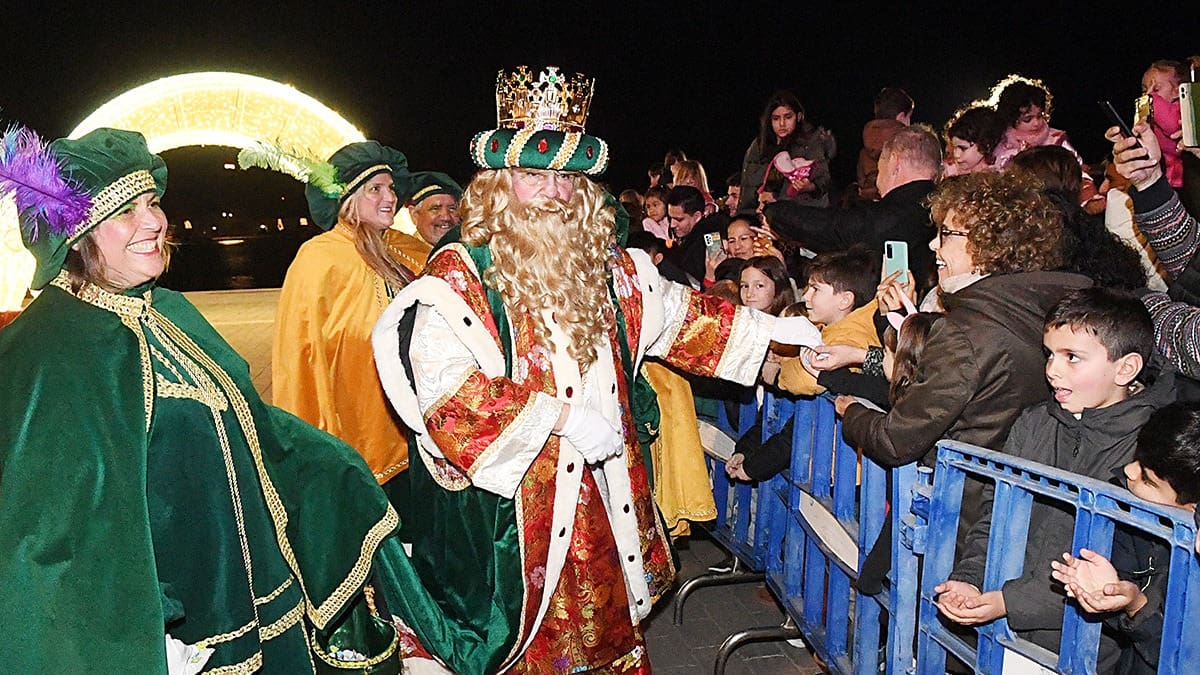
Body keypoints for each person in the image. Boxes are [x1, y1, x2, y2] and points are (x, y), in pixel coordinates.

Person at [371, 65, 822, 674]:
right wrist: (559, 419)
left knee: (607, 633)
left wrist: (773, 331)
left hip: (607, 495)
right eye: (535, 177)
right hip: (515, 512)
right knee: (531, 646)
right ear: (500, 186)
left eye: (567, 178)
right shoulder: (460, 277)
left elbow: (679, 316)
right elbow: (447, 395)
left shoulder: (612, 267)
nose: (554, 194)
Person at [0, 127, 428, 672]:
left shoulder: (168, 308)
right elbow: (48, 536)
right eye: (126, 212)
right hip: (171, 626)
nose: (155, 222)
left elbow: (251, 424)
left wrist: (336, 470)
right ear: (76, 232)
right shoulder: (51, 349)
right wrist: (139, 637)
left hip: (252, 592)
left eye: (152, 203)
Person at [936, 287, 1175, 671]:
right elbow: (993, 515)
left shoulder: (1147, 454)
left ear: (1125, 368)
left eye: (1072, 358)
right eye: (1049, 354)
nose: (1052, 370)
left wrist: (1007, 602)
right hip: (1001, 632)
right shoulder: (1035, 423)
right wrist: (970, 579)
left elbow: (1123, 571)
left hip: (1087, 648)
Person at [836, 171, 1090, 528]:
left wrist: (852, 414)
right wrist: (899, 319)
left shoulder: (965, 332)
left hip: (961, 517)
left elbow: (896, 439)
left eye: (946, 234)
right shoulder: (1043, 311)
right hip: (1018, 511)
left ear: (990, 244)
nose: (933, 246)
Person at [268, 141, 415, 492]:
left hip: (416, 433)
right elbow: (299, 356)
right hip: (360, 439)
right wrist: (310, 445)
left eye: (391, 188)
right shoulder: (320, 257)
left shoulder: (401, 249)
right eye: (375, 189)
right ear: (347, 198)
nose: (389, 197)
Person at [1052, 401, 1200, 674]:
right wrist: (1120, 599)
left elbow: (1185, 659)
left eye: (1148, 479)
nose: (1129, 471)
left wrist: (1136, 606)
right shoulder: (1128, 506)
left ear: (1192, 508)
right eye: (1138, 458)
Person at [764, 125, 942, 295]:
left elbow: (828, 227)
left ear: (895, 163)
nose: (877, 181)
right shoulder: (945, 211)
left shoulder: (888, 217)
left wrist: (772, 212)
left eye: (879, 170)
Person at [775, 247, 881, 396]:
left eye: (815, 289)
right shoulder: (830, 327)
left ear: (845, 300)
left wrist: (778, 371)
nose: (806, 296)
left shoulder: (853, 336)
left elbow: (806, 380)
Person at [738, 90, 836, 212]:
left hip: (805, 213)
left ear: (799, 117)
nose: (782, 124)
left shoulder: (811, 141)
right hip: (762, 212)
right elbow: (748, 182)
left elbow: (824, 179)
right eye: (776, 118)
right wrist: (745, 216)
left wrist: (809, 187)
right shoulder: (760, 144)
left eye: (788, 117)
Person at [392, 171, 463, 276]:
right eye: (435, 208)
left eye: (452, 209)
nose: (446, 217)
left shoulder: (466, 254)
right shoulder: (398, 257)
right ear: (414, 215)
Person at [665, 184, 727, 287]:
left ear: (697, 216)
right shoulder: (687, 238)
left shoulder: (712, 240)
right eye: (670, 218)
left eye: (679, 219)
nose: (672, 225)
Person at [858, 87, 914, 201]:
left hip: (869, 210)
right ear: (901, 117)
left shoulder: (865, 148)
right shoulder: (908, 146)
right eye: (909, 118)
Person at [942, 104, 1003, 176]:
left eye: (963, 148)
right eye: (954, 147)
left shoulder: (998, 176)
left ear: (986, 145)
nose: (956, 154)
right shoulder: (945, 172)